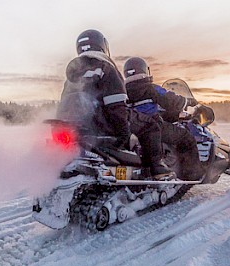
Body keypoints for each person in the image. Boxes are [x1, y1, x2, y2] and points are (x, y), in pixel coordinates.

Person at [58, 30, 174, 179]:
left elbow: (63, 105)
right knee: (151, 126)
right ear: (102, 46)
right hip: (102, 122)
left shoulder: (71, 76)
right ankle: (156, 168)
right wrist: (123, 134)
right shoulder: (105, 67)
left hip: (79, 126)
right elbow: (116, 105)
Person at [123, 56, 204, 181]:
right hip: (153, 125)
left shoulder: (124, 91)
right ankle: (191, 175)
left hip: (133, 126)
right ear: (144, 70)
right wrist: (187, 101)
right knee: (186, 137)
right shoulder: (150, 88)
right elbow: (171, 100)